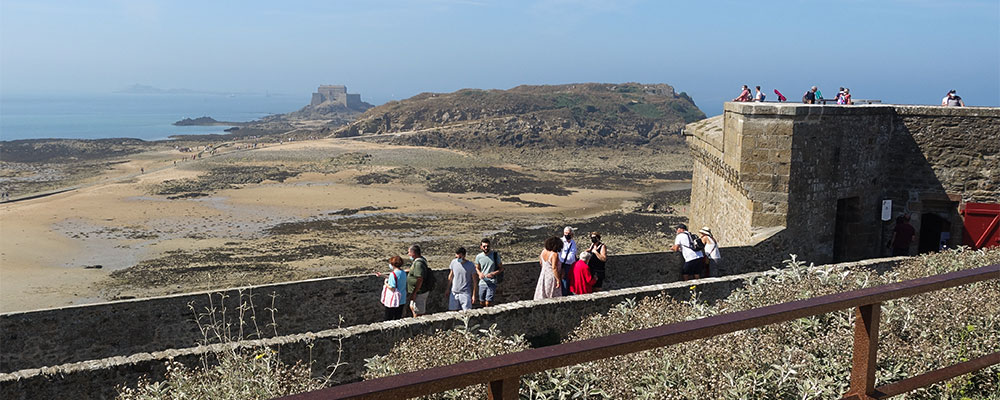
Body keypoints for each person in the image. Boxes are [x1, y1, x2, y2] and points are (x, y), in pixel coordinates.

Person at [474, 238, 503, 307]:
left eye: (487, 246)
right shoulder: (479, 257)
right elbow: (477, 268)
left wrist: (493, 273)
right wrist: (480, 274)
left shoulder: (495, 255)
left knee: (488, 301)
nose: (486, 248)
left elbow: (501, 268)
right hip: (482, 282)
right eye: (484, 246)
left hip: (492, 282)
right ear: (481, 247)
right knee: (481, 301)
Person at [378, 256, 407, 321]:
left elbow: (392, 288)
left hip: (393, 300)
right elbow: (395, 278)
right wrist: (382, 275)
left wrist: (385, 283)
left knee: (388, 317)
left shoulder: (393, 274)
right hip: (401, 299)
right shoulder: (403, 272)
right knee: (398, 317)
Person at [406, 245, 432, 317]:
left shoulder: (418, 264)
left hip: (419, 292)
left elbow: (420, 279)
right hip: (417, 292)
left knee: (418, 312)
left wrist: (414, 292)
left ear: (413, 253)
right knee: (413, 307)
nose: (408, 254)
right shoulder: (420, 261)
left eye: (409, 252)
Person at [558, 227, 578, 296]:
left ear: (572, 234)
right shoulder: (560, 242)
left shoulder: (573, 242)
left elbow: (574, 253)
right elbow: (558, 254)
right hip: (564, 265)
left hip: (572, 265)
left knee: (571, 280)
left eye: (568, 233)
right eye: (565, 233)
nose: (567, 235)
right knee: (564, 281)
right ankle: (564, 295)